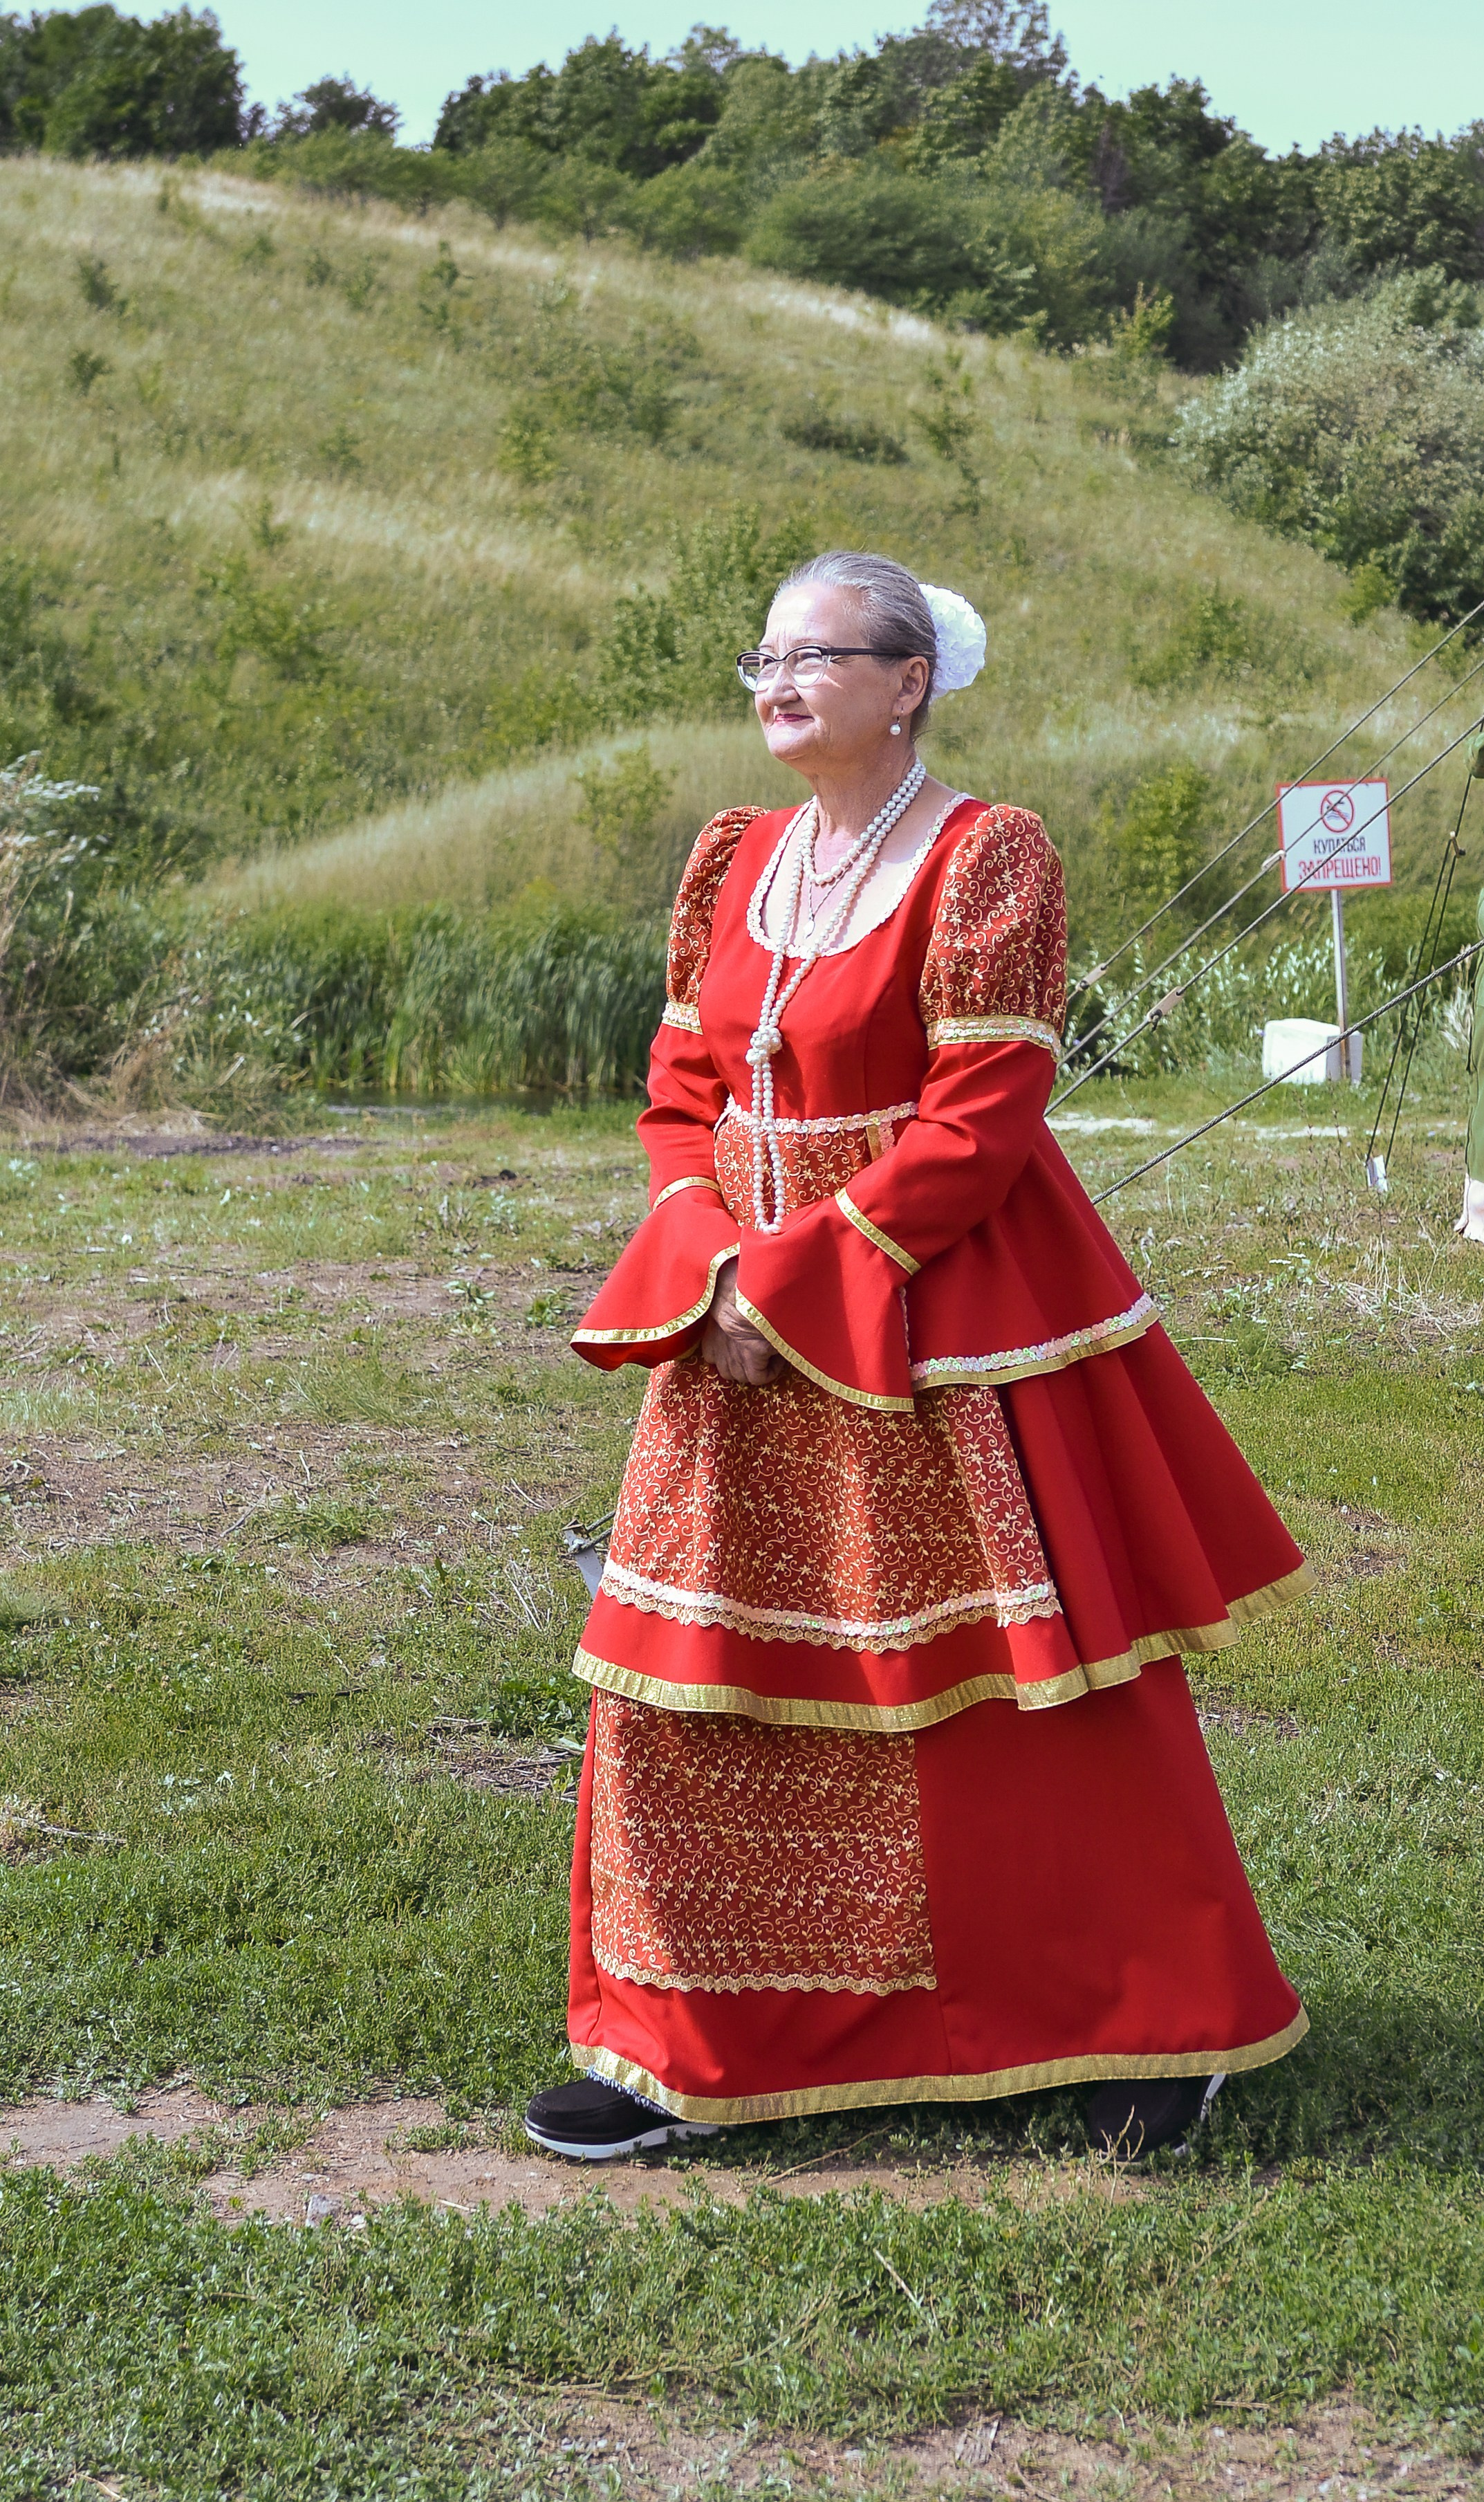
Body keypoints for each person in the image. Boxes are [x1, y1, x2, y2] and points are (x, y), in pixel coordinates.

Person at [525, 551, 1308, 2163]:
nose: (781, 679)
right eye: (765, 654)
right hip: (732, 1320)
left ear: (910, 682)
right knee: (687, 1678)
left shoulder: (983, 852)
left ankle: (1147, 2019)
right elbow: (683, 1091)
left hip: (935, 1312)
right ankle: (682, 2042)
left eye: (823, 654)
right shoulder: (729, 856)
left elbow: (981, 1119)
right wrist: (712, 1263)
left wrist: (799, 1281)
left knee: (1029, 1678)